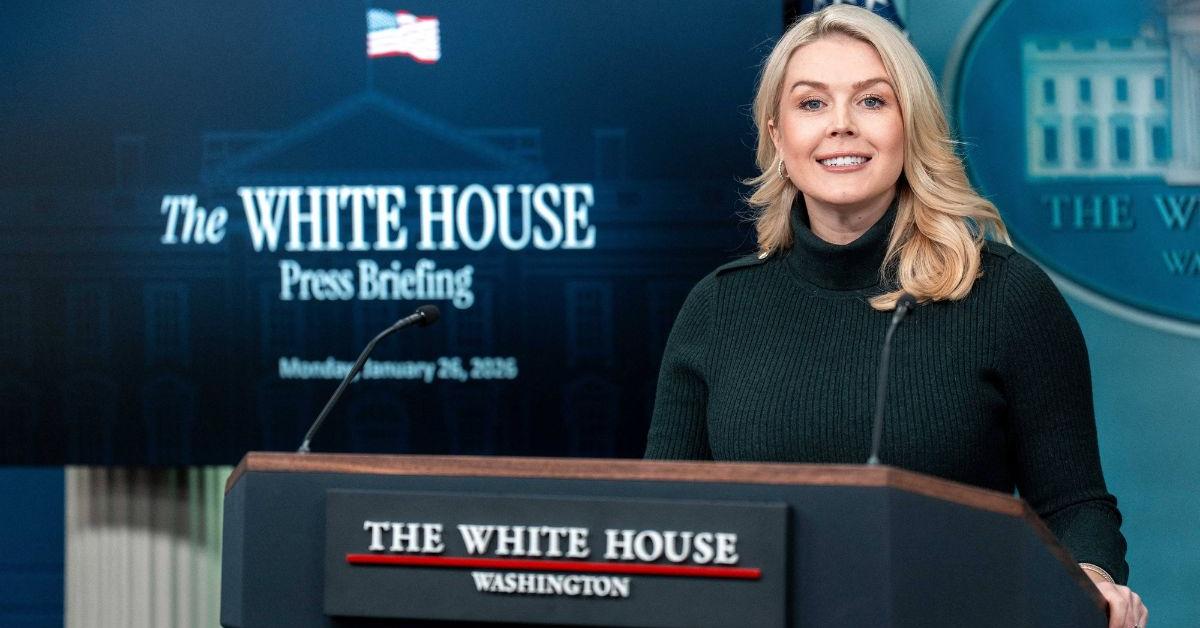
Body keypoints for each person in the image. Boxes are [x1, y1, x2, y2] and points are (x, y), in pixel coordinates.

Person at [643, 5, 1147, 627]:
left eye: (872, 101)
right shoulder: (717, 308)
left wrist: (1092, 580)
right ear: (777, 134)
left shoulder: (1005, 295)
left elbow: (1075, 506)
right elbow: (664, 527)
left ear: (912, 124)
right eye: (812, 103)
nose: (842, 125)